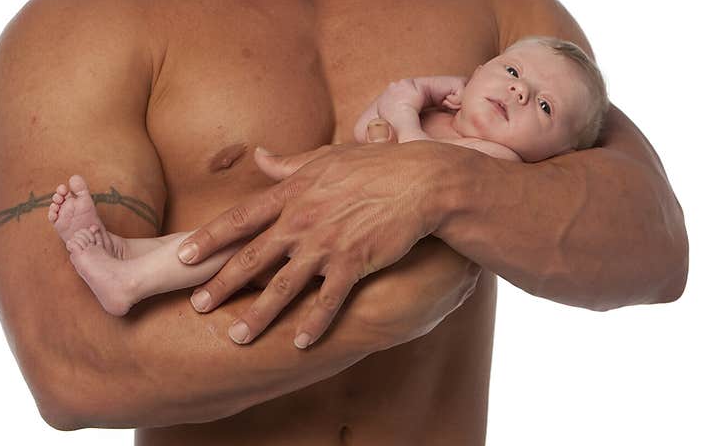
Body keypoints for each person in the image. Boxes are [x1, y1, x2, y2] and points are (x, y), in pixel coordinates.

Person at [0, 0, 687, 446]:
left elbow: (654, 248)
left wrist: (434, 186)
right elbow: (72, 365)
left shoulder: (505, 25)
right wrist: (390, 305)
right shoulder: (86, 22)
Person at [49, 36, 610, 320]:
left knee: (245, 243)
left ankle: (130, 285)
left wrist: (403, 112)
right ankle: (131, 250)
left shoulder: (499, 161)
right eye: (511, 72)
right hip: (321, 209)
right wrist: (407, 95)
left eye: (543, 108)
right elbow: (370, 135)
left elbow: (421, 173)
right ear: (479, 72)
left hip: (346, 251)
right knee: (235, 229)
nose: (518, 91)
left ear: (556, 153)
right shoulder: (446, 117)